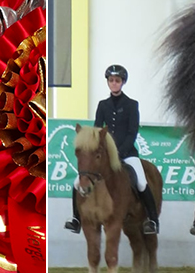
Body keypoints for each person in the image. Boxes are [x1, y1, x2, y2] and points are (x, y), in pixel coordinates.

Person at [65, 64, 160, 235]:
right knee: (77, 182)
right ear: (108, 83)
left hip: (127, 154)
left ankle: (153, 220)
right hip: (105, 156)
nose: (114, 83)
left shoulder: (132, 105)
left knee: (141, 181)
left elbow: (132, 132)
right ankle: (76, 219)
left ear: (122, 82)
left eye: (117, 81)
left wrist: (120, 152)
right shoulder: (103, 105)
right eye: (111, 81)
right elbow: (96, 131)